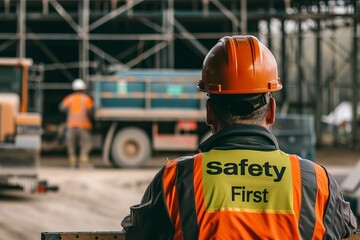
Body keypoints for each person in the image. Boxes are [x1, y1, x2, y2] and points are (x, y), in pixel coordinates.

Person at [121, 35, 357, 239]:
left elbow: (137, 232)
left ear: (210, 112)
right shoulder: (316, 182)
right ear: (272, 111)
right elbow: (346, 227)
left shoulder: (175, 180)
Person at [59, 78, 94, 168]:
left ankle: (72, 162)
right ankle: (83, 161)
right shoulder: (87, 99)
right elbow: (91, 111)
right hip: (83, 125)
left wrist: (69, 112)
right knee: (85, 143)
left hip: (71, 124)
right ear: (83, 89)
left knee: (71, 144)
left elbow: (61, 107)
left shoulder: (69, 98)